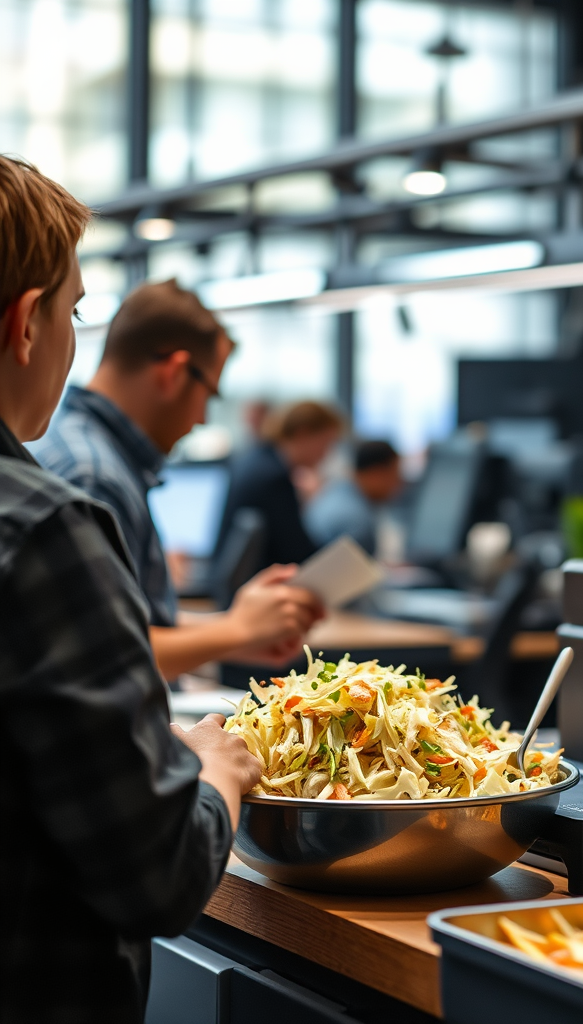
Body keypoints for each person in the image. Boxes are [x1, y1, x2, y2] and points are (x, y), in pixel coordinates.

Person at [0, 154, 261, 1021]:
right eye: (74, 310)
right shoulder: (45, 531)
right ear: (27, 322)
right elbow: (159, 877)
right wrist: (212, 768)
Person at [33, 279, 324, 681]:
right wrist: (235, 629)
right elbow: (106, 655)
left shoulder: (94, 454)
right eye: (209, 393)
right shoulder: (94, 474)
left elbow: (132, 622)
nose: (203, 417)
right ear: (173, 372)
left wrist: (240, 631)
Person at [217, 400, 344, 577]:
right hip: (259, 586)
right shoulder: (274, 478)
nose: (326, 454)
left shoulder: (256, 459)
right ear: (303, 433)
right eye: (326, 443)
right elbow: (297, 553)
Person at [304, 439, 403, 553]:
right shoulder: (356, 520)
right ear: (376, 474)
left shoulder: (335, 492)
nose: (399, 483)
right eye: (396, 474)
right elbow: (358, 570)